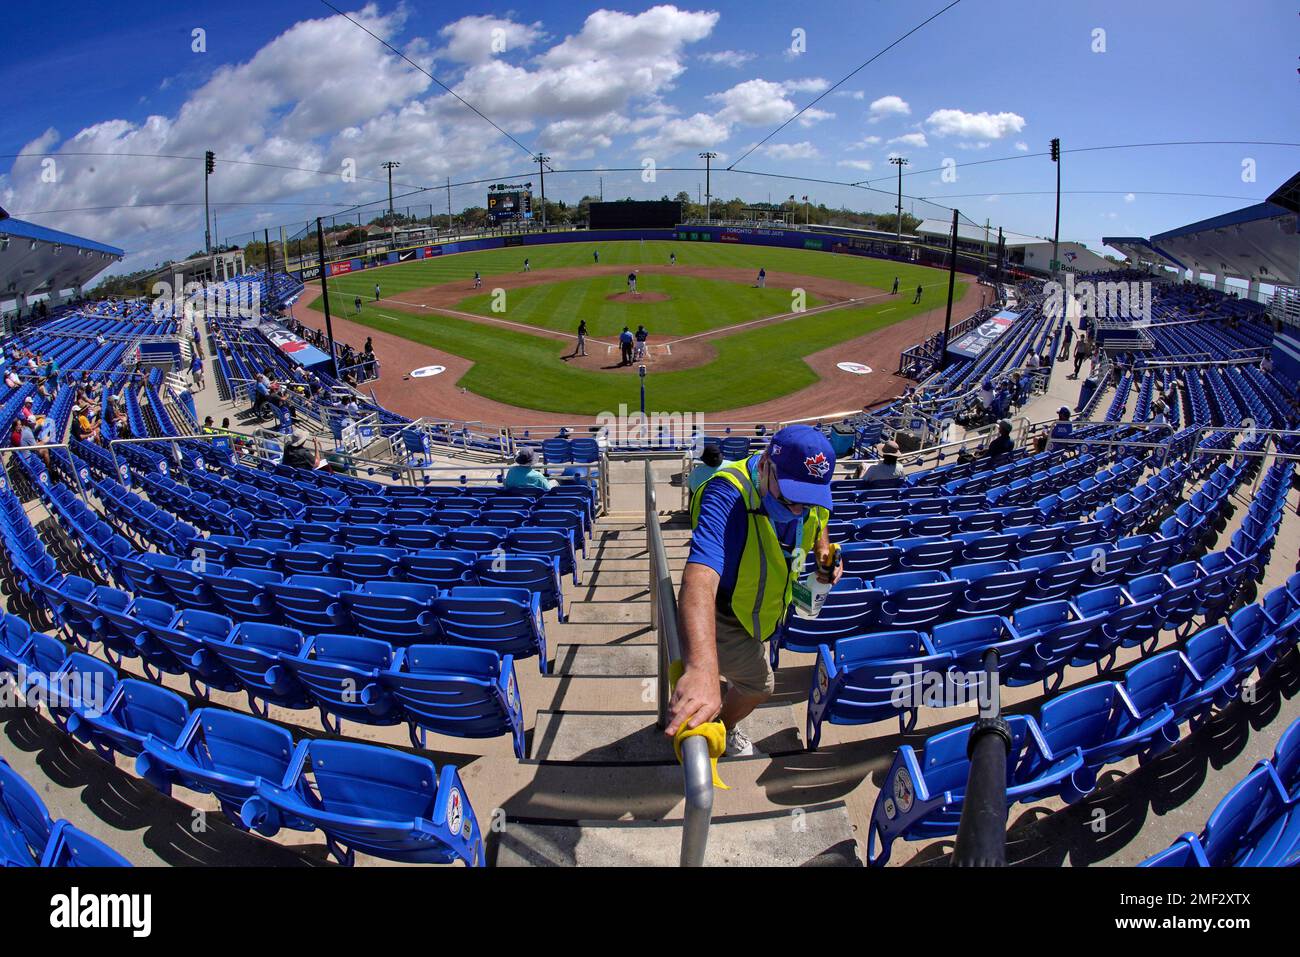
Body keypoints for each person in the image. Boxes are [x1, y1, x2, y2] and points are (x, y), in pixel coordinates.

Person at [667, 425, 840, 757]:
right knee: (761, 685)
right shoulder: (726, 494)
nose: (797, 510)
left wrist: (822, 549)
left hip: (764, 609)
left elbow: (818, 518)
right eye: (790, 498)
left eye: (808, 500)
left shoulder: (806, 496)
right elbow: (699, 577)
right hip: (723, 614)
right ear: (764, 465)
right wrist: (702, 669)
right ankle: (724, 726)